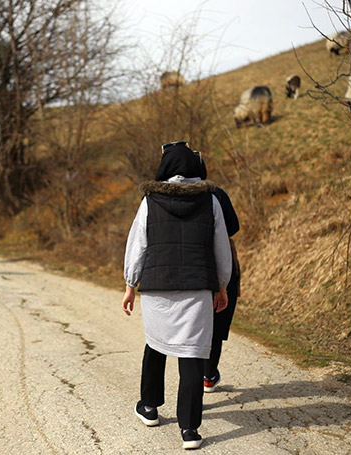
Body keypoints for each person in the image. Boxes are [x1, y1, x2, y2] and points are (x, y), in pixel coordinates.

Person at [121, 141, 232, 450]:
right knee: (193, 354)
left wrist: (130, 285)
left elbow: (137, 245)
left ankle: (149, 407)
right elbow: (222, 248)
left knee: (156, 344)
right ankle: (189, 430)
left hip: (157, 289)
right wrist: (222, 285)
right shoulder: (211, 201)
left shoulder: (150, 201)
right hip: (197, 289)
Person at [193, 152, 241, 393]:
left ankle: (196, 376)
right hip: (222, 263)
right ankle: (209, 375)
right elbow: (233, 228)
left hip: (192, 267)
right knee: (218, 322)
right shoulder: (217, 194)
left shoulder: (171, 197)